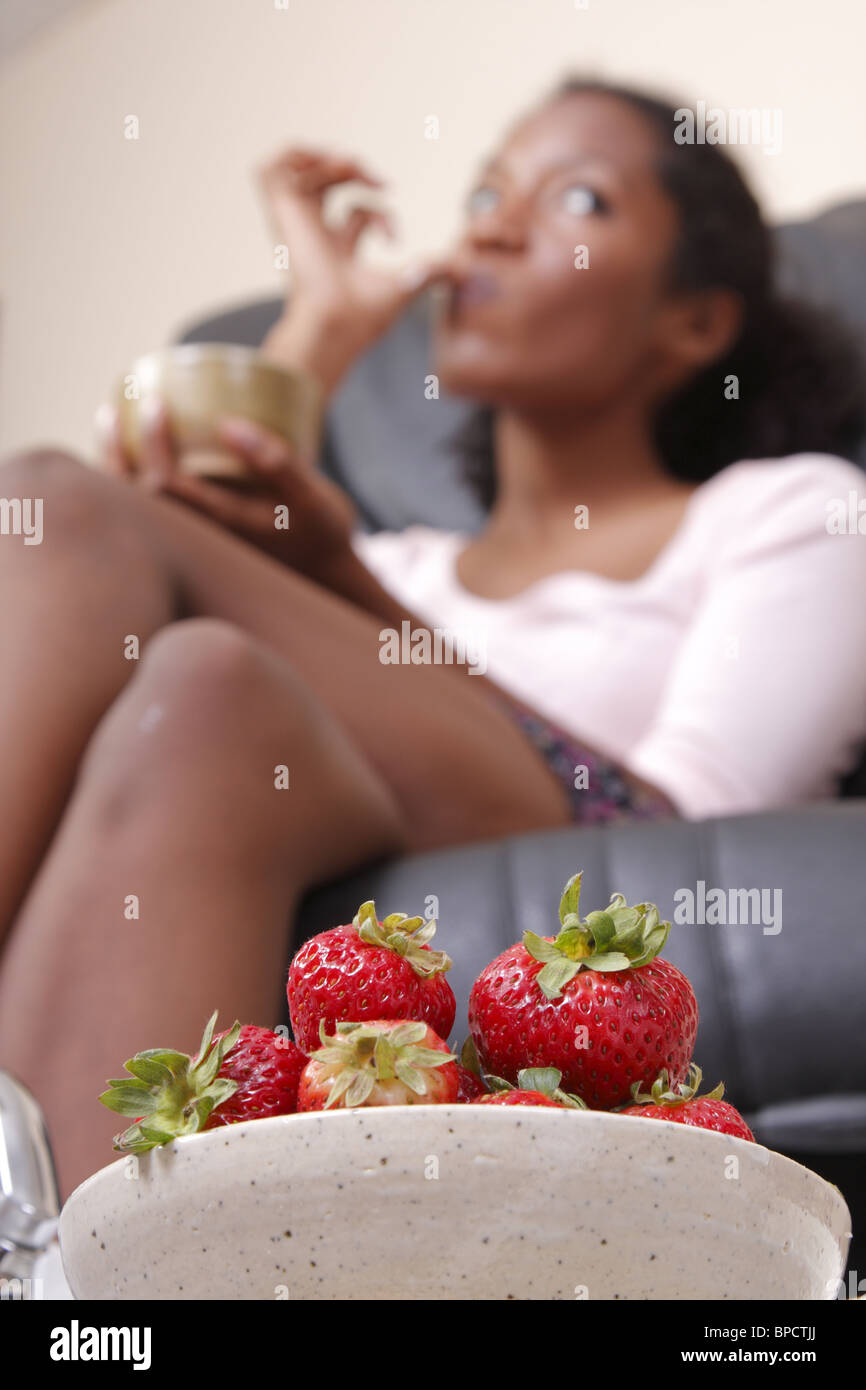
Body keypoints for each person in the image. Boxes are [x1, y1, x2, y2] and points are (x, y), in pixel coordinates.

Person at [1, 78, 864, 1195]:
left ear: (693, 321)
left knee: (55, 502)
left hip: (577, 833)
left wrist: (337, 576)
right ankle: (75, 1277)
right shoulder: (395, 557)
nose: (491, 225)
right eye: (485, 190)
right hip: (311, 792)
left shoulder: (782, 510)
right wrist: (322, 313)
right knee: (205, 688)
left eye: (577, 202)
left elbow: (684, 837)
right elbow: (171, 525)